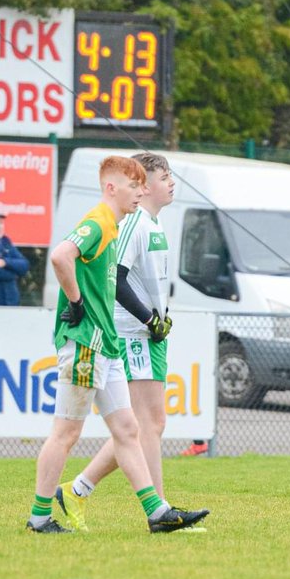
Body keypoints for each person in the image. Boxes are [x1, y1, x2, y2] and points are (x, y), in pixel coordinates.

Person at [26, 155, 207, 534]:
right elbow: (61, 256)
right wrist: (76, 302)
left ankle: (158, 513)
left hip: (106, 345)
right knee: (66, 433)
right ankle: (39, 518)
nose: (140, 192)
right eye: (134, 186)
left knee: (127, 429)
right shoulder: (97, 222)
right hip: (87, 344)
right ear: (112, 188)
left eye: (143, 185)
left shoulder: (114, 225)